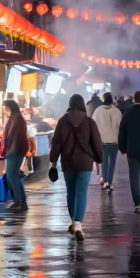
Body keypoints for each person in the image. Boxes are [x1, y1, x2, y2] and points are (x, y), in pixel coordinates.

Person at [49, 93, 104, 240]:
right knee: (81, 192)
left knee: (71, 192)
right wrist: (100, 158)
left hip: (68, 162)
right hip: (85, 163)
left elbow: (56, 144)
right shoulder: (89, 122)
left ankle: (74, 221)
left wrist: (53, 160)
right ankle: (78, 223)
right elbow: (96, 143)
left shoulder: (62, 121)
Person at [1, 100, 30, 211]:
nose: (3, 110)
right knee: (14, 176)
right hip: (14, 151)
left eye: (4, 108)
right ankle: (20, 201)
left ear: (8, 108)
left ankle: (19, 201)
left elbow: (17, 138)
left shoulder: (17, 119)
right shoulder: (14, 118)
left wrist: (11, 151)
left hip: (15, 151)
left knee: (11, 176)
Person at [93, 93, 123, 192]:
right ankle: (109, 183)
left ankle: (105, 182)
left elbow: (93, 125)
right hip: (114, 141)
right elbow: (120, 127)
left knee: (104, 162)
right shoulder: (117, 111)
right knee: (112, 162)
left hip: (102, 141)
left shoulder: (97, 111)